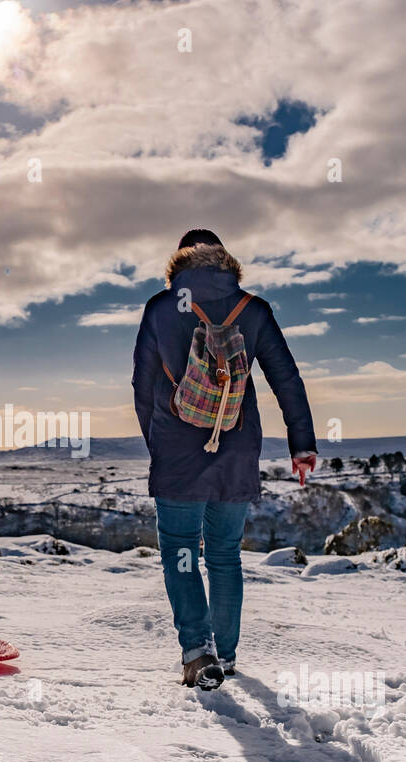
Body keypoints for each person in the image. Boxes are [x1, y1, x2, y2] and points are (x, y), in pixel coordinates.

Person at [132, 229, 317, 690]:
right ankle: (226, 655)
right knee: (224, 556)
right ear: (224, 261)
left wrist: (158, 443)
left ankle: (198, 652)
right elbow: (285, 378)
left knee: (179, 550)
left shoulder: (160, 308)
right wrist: (302, 442)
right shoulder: (253, 309)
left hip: (176, 450)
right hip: (236, 449)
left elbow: (141, 384)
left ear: (180, 263)